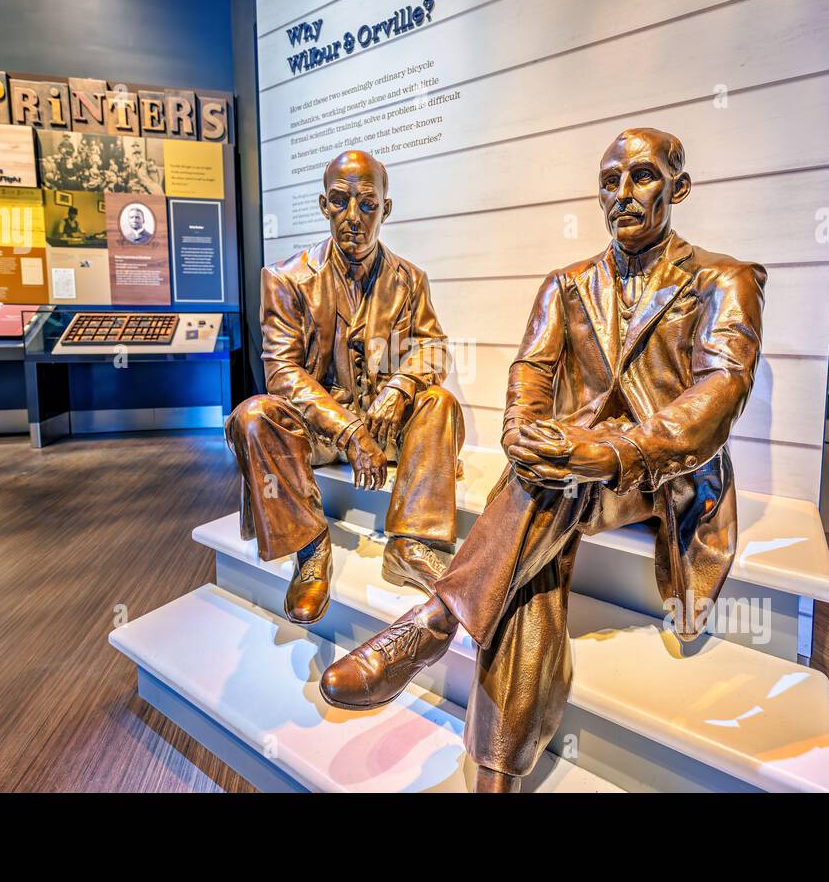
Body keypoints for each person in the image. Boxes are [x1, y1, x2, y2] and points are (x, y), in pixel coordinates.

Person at [320, 128, 767, 792]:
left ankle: (438, 619)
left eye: (641, 177)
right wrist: (526, 437)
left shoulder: (724, 278)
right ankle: (497, 770)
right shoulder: (566, 284)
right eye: (609, 180)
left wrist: (613, 450)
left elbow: (721, 389)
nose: (623, 194)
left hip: (667, 474)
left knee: (552, 486)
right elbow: (529, 378)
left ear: (680, 187)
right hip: (567, 476)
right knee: (534, 557)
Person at [225, 150, 463, 625]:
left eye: (367, 205)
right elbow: (283, 374)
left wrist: (399, 389)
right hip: (318, 433)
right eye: (340, 202)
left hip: (385, 427)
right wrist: (349, 431)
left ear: (386, 210)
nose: (353, 218)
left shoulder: (409, 280)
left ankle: (411, 544)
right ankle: (311, 550)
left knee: (439, 401)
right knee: (253, 415)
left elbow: (433, 348)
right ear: (323, 205)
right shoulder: (285, 278)